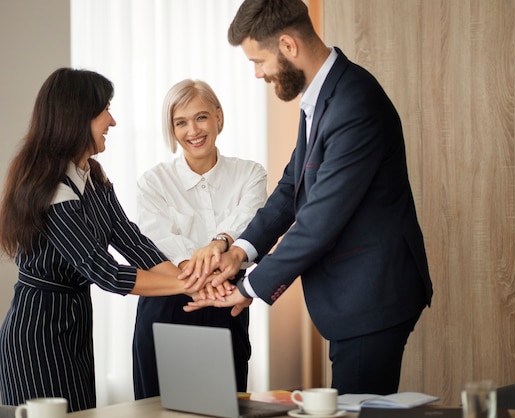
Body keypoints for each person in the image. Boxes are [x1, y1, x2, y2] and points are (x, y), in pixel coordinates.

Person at [184, 0, 433, 396]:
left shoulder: (354, 103)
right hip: (352, 295)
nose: (258, 73)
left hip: (372, 294)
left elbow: (318, 222)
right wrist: (240, 252)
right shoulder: (322, 97)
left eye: (258, 60)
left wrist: (248, 287)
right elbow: (290, 190)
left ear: (287, 45)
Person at [0, 68, 207, 412]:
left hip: (76, 321)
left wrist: (189, 280)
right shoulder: (52, 189)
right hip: (37, 330)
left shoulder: (92, 175)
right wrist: (190, 285)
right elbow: (106, 271)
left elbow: (133, 242)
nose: (112, 121)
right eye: (105, 109)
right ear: (77, 116)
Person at [132, 79, 267, 398]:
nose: (193, 130)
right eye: (181, 122)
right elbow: (159, 240)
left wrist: (219, 246)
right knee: (160, 410)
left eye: (201, 117)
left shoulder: (250, 174)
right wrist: (206, 272)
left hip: (226, 304)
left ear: (218, 116)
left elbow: (250, 223)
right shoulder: (153, 182)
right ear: (172, 129)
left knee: (221, 405)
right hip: (166, 303)